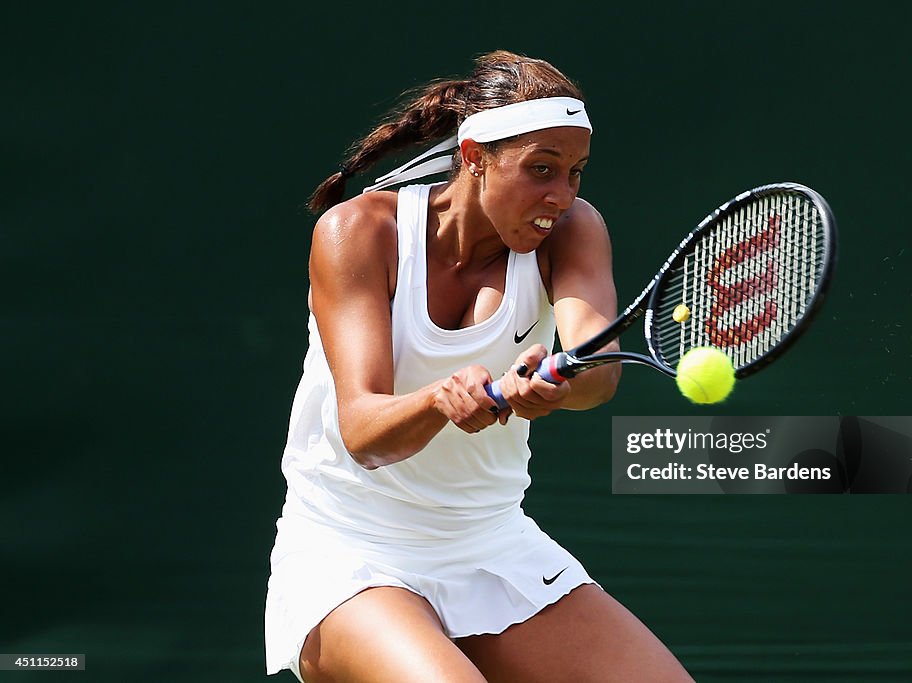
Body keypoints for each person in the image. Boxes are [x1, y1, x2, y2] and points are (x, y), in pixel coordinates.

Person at [265, 50, 696, 683]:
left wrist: (557, 379)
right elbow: (362, 431)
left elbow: (598, 373)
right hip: (350, 552)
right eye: (540, 169)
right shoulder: (356, 231)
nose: (561, 195)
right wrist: (440, 398)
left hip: (492, 547)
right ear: (474, 158)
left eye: (576, 172)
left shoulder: (574, 230)